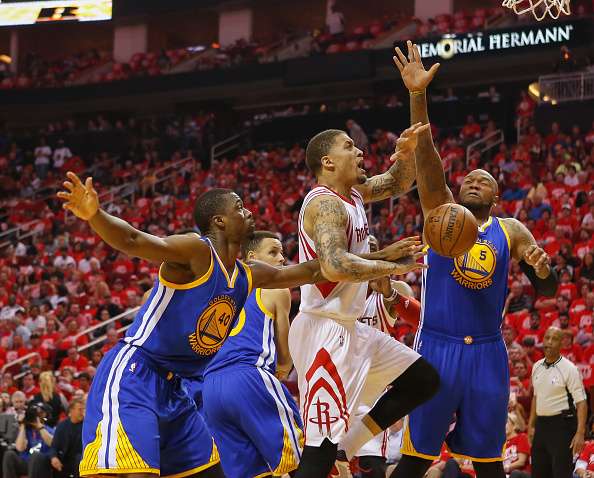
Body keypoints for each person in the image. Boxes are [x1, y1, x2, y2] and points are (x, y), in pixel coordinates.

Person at [57, 173, 412, 478]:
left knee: (211, 471)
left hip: (177, 388)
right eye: (240, 207)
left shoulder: (246, 274)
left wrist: (381, 259)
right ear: (220, 222)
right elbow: (136, 241)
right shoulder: (196, 252)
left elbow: (314, 270)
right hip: (137, 372)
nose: (250, 210)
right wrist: (95, 214)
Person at [391, 41, 558, 478]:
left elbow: (548, 289)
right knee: (417, 457)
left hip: (487, 350)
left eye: (483, 180)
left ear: (497, 196)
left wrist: (542, 269)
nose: (472, 182)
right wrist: (417, 95)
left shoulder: (511, 230)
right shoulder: (440, 212)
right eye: (468, 178)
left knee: (489, 461)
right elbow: (427, 159)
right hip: (438, 344)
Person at [290, 117, 439, 478]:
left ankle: (348, 448)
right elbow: (336, 265)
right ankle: (335, 452)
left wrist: (406, 153)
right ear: (328, 162)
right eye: (348, 146)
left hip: (351, 329)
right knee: (317, 456)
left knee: (422, 380)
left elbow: (399, 182)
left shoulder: (353, 194)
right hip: (324, 330)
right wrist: (389, 264)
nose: (359, 151)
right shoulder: (325, 205)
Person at [201, 231, 303, 478]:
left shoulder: (216, 291)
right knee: (303, 459)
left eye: (282, 253)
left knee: (253, 473)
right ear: (251, 257)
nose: (282, 259)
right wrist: (278, 375)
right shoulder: (275, 289)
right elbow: (285, 356)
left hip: (211, 390)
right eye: (273, 252)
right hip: (249, 376)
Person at [355, 236, 422, 478]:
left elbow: (421, 321)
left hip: (371, 389)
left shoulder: (389, 289)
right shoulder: (337, 289)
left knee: (371, 466)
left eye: (373, 249)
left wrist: (390, 291)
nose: (367, 254)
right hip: (338, 382)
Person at [529, 327, 587, 478]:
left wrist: (580, 433)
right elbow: (536, 397)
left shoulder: (570, 369)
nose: (549, 342)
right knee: (539, 472)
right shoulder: (536, 367)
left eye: (554, 339)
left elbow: (581, 402)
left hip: (563, 425)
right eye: (547, 338)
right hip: (541, 426)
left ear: (561, 343)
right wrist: (531, 425)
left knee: (561, 473)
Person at [2, 402, 54, 478]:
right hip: (26, 463)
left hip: (43, 465)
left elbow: (52, 443)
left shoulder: (49, 430)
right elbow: (20, 448)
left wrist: (40, 427)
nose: (36, 416)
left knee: (35, 455)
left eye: (39, 413)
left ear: (45, 415)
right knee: (9, 454)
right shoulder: (26, 430)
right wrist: (22, 425)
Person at [50, 397, 85, 478]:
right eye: (80, 409)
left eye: (84, 409)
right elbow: (54, 446)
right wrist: (53, 457)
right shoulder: (62, 425)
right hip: (63, 460)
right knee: (40, 458)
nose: (82, 412)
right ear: (71, 410)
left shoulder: (87, 426)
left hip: (79, 461)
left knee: (79, 459)